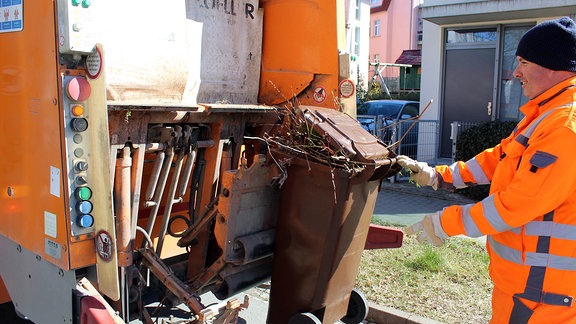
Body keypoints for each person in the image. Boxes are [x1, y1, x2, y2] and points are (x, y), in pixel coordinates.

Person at [397, 16, 576, 323]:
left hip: (544, 296)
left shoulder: (565, 128)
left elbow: (516, 205)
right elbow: (499, 157)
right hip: (527, 285)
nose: (515, 72)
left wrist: (445, 223)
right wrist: (439, 176)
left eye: (523, 62)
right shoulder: (545, 115)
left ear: (552, 65)